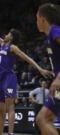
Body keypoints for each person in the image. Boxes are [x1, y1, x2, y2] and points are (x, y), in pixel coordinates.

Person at [0, 7, 52, 135]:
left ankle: (10, 133)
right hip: (1, 79)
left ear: (11, 37)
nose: (5, 34)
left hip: (9, 78)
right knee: (1, 110)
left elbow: (27, 58)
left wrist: (40, 69)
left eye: (8, 34)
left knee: (10, 107)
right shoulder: (2, 44)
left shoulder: (13, 47)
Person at [36, 3, 60, 135]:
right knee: (45, 118)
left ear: (42, 19)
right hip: (58, 89)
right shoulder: (49, 37)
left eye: (37, 18)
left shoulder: (55, 31)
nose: (36, 22)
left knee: (43, 119)